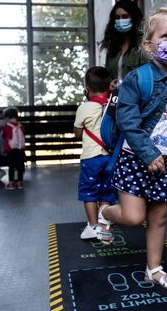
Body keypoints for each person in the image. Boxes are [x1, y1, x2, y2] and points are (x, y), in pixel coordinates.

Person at [98, 7, 167, 290]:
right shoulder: (139, 78)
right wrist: (148, 153)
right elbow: (128, 121)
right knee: (134, 218)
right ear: (149, 45)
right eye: (166, 35)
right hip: (135, 158)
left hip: (164, 162)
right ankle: (106, 212)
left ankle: (154, 269)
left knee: (158, 218)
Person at [74, 66, 118, 240]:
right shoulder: (114, 105)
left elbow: (78, 134)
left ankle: (92, 226)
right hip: (110, 157)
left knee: (89, 192)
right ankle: (103, 226)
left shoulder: (84, 108)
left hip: (91, 158)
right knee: (107, 191)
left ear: (87, 89)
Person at [99, 0, 146, 83]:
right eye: (117, 17)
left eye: (125, 16)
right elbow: (108, 76)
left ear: (134, 18)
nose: (120, 20)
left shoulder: (143, 45)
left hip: (136, 94)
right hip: (115, 95)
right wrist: (110, 84)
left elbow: (147, 77)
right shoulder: (112, 46)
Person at [2, 107, 25, 190]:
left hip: (11, 150)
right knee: (20, 167)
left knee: (11, 166)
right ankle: (19, 183)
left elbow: (4, 136)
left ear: (7, 117)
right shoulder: (21, 126)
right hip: (20, 149)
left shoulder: (7, 127)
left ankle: (11, 183)